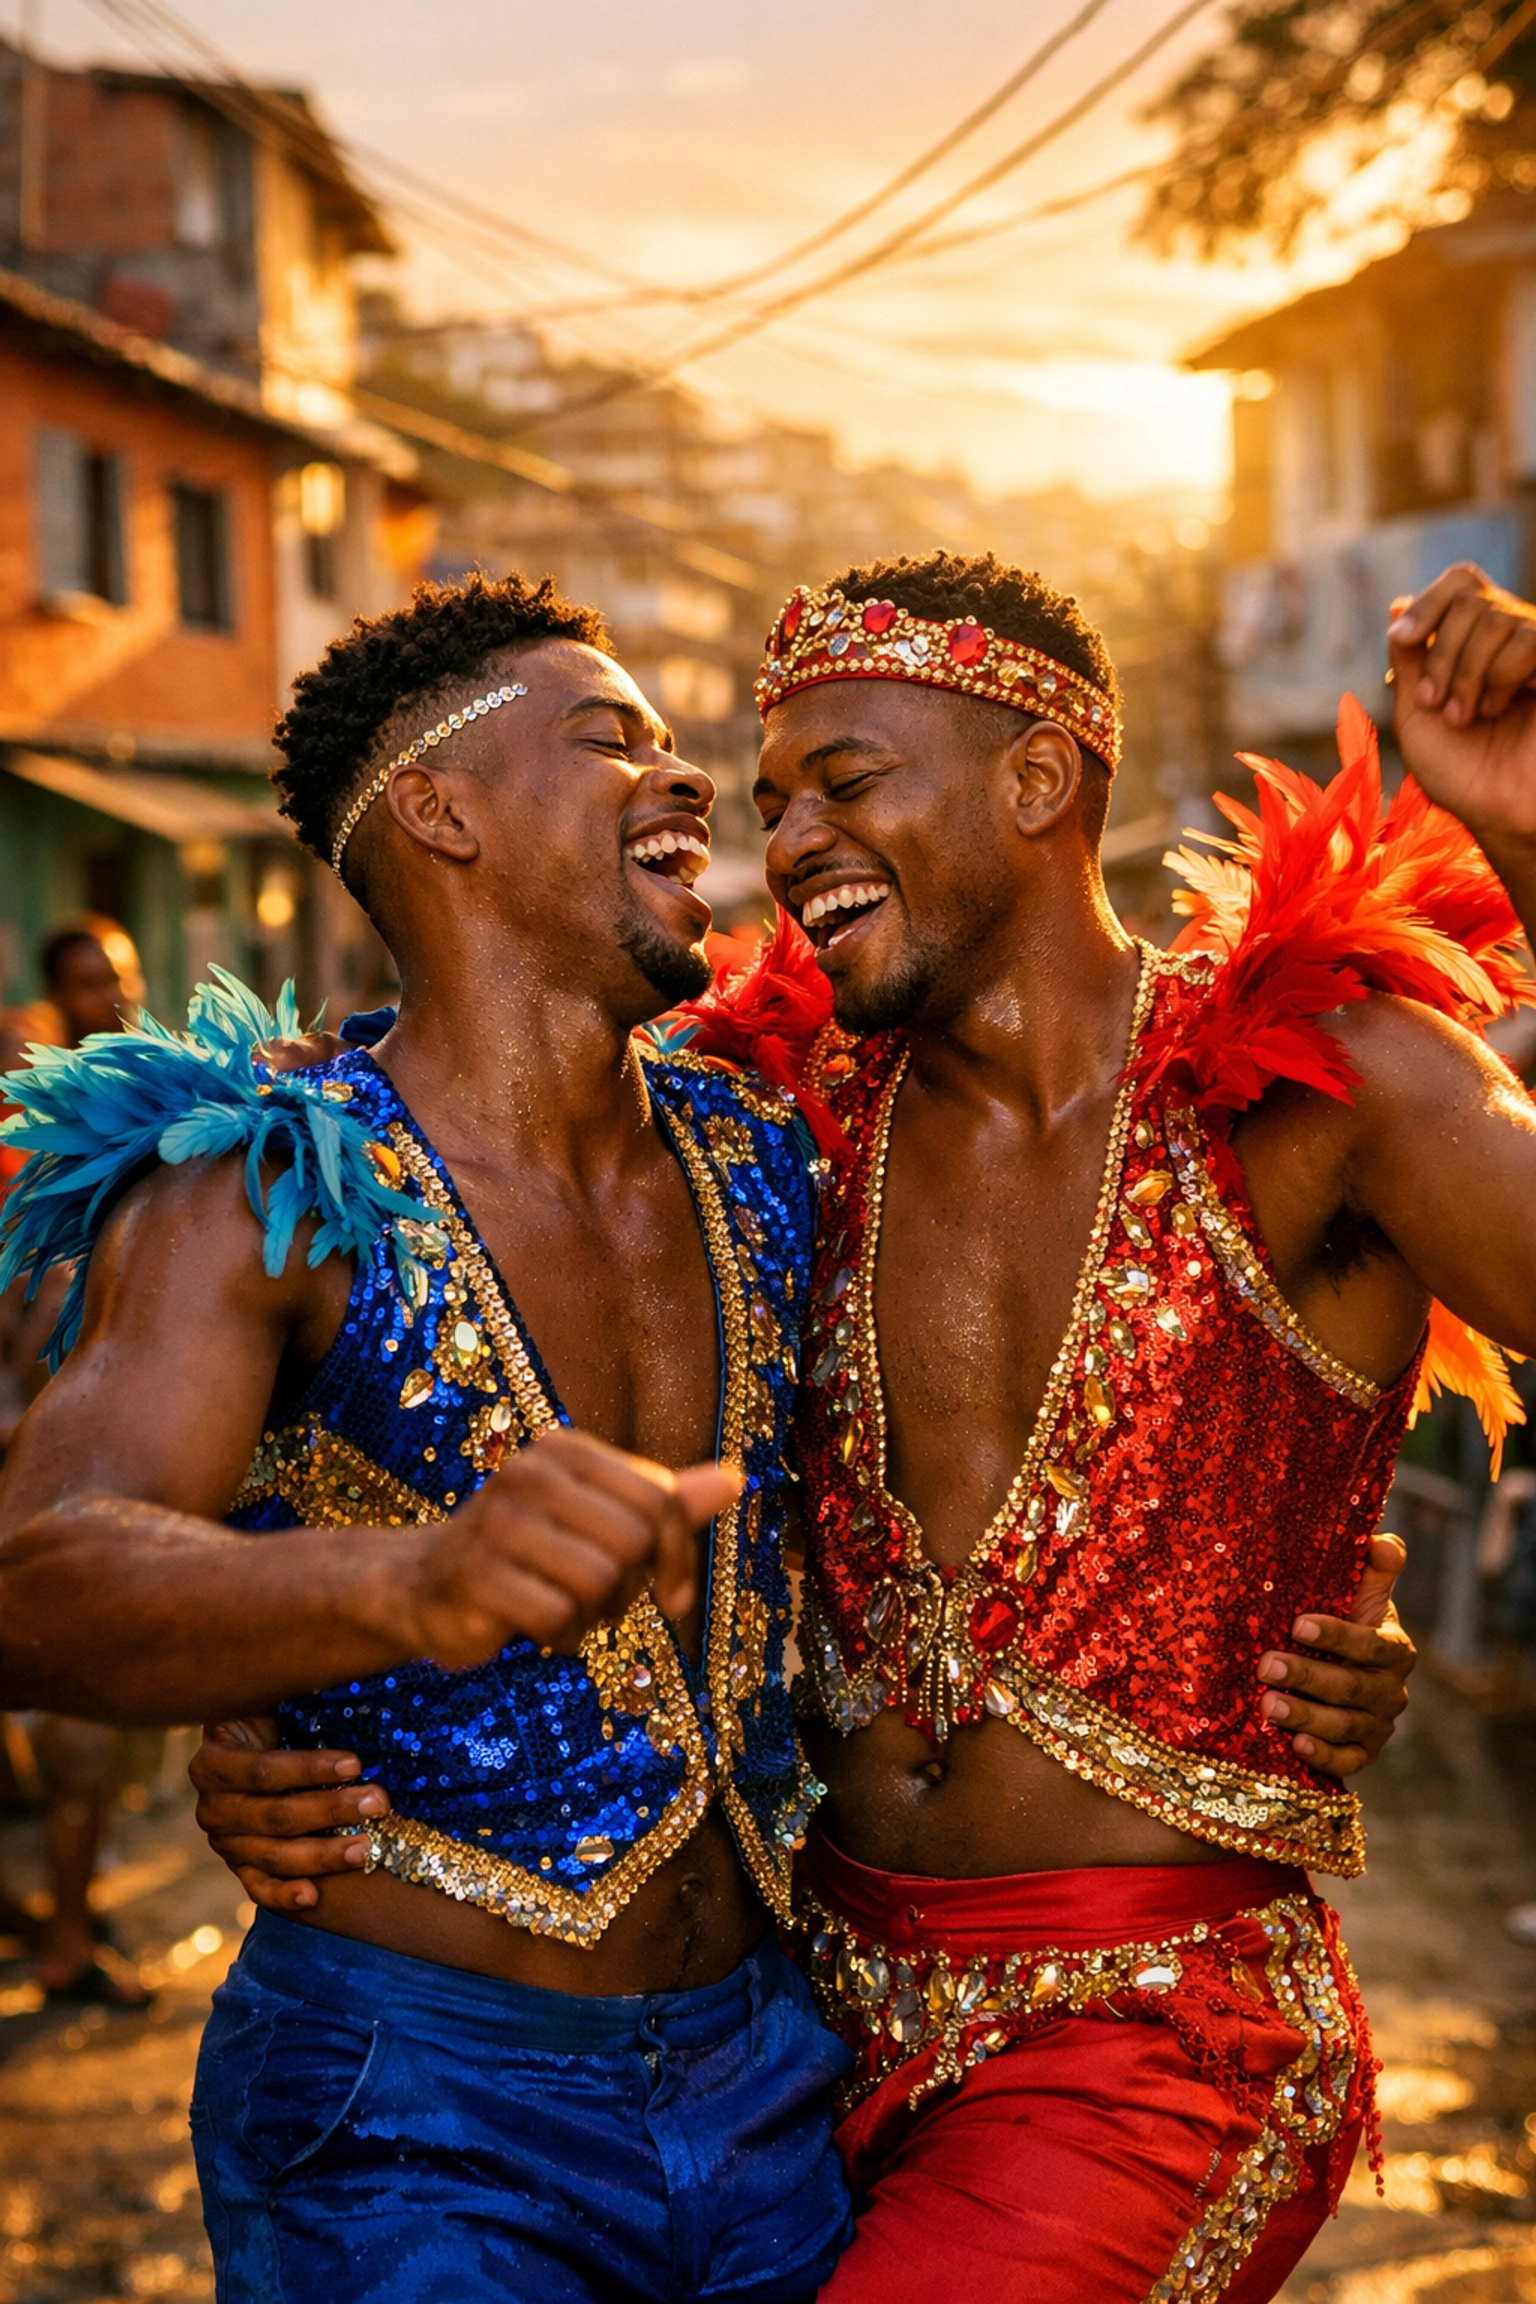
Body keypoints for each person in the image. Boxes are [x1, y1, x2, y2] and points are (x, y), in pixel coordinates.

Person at [183, 555, 1443, 2304]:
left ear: (1036, 777)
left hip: (1111, 2020)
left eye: (837, 785)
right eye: (768, 795)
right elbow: (159, 1494)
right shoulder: (752, 1131)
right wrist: (290, 1649)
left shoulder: (1279, 1092)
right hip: (777, 2036)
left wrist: (1317, 1571)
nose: (769, 835)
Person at [0, 573, 850, 2302]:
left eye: (680, 749)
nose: (686, 781)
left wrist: (1301, 1602)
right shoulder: (265, 1184)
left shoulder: (771, 1150)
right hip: (413, 2114)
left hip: (781, 2079)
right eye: (614, 738)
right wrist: (412, 1581)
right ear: (441, 809)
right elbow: (42, 1569)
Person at [0, 920, 151, 2006]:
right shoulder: (37, 1126)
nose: (112, 994)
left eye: (123, 975)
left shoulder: (164, 1105)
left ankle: (63, 1917)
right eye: (89, 981)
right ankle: (61, 1942)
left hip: (112, 1440)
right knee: (76, 1716)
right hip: (47, 1446)